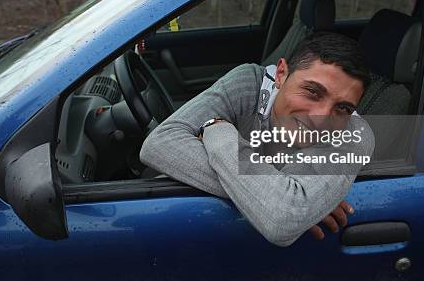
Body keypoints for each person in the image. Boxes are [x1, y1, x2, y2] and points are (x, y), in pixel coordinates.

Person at [140, 32, 375, 247]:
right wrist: (291, 199)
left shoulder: (353, 135)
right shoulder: (249, 84)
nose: (321, 118)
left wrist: (216, 130)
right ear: (281, 74)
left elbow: (282, 219)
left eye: (342, 107)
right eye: (313, 92)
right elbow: (159, 144)